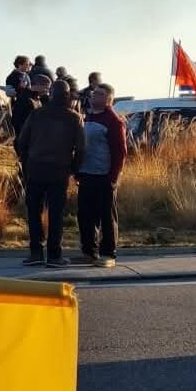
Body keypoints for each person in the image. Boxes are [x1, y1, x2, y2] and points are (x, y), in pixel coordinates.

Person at [16, 81, 85, 267]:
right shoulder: (74, 118)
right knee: (56, 214)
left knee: (33, 211)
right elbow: (81, 149)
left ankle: (36, 252)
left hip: (35, 168)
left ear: (51, 94)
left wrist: (26, 163)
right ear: (67, 95)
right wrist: (74, 170)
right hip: (59, 170)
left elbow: (21, 141)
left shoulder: (37, 114)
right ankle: (54, 255)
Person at [77, 83, 127, 267]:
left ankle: (108, 253)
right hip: (85, 174)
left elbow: (120, 152)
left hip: (104, 176)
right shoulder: (87, 116)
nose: (93, 96)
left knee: (106, 216)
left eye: (98, 94)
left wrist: (113, 177)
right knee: (85, 215)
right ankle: (89, 251)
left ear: (108, 99)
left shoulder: (114, 122)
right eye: (93, 93)